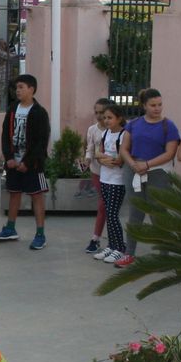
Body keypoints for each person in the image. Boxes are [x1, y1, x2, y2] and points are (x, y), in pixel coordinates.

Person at [117, 88, 181, 268]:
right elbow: (124, 148)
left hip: (158, 173)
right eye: (153, 105)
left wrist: (147, 165)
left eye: (159, 104)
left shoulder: (169, 126)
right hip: (134, 170)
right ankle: (129, 253)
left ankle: (164, 255)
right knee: (135, 212)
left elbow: (170, 153)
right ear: (144, 105)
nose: (157, 108)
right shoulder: (133, 124)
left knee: (158, 213)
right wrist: (133, 164)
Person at [0, 74, 51, 250]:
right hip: (13, 163)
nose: (18, 90)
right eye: (16, 87)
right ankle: (10, 228)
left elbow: (41, 141)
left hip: (32, 165)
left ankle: (40, 234)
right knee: (14, 193)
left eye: (21, 87)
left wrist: (27, 162)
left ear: (31, 89)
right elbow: (5, 135)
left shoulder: (39, 112)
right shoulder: (12, 109)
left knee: (37, 196)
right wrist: (9, 157)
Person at [94, 103, 130, 264]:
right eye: (105, 118)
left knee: (113, 214)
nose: (106, 121)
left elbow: (120, 160)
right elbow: (98, 153)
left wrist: (104, 159)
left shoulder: (123, 135)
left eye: (110, 118)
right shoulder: (106, 133)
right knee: (108, 213)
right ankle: (111, 245)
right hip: (104, 178)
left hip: (117, 180)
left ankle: (120, 248)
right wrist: (105, 160)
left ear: (119, 118)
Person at [83, 98, 110, 255]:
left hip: (113, 173)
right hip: (97, 172)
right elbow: (90, 148)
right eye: (97, 112)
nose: (99, 116)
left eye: (103, 113)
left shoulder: (116, 129)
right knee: (103, 205)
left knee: (108, 207)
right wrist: (87, 159)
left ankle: (111, 240)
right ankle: (96, 238)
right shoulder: (92, 130)